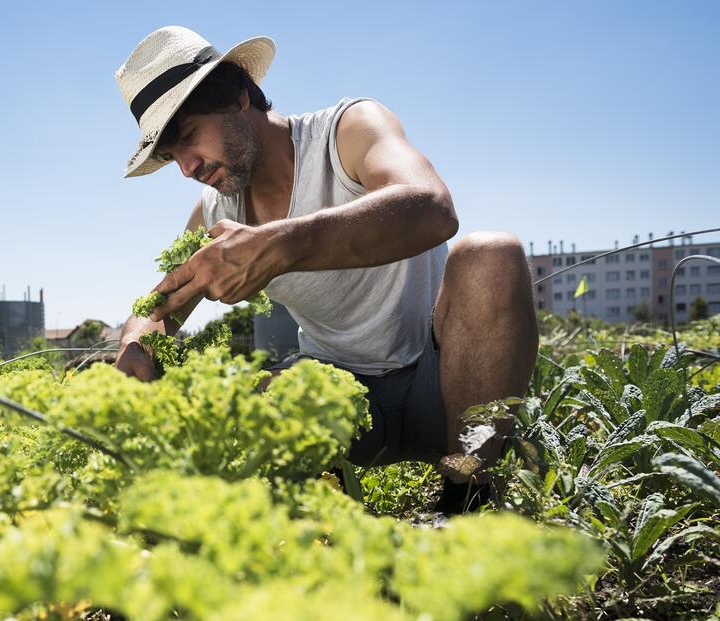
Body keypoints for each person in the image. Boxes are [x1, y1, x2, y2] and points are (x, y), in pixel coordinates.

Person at [112, 26, 538, 512]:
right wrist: (136, 344)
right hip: (343, 402)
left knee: (492, 255)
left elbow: (432, 207)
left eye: (189, 137)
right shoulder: (215, 214)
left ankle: (467, 497)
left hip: (445, 388)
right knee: (254, 393)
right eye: (171, 157)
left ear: (237, 94)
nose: (187, 168)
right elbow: (159, 303)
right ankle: (318, 512)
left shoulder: (348, 131)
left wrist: (279, 244)